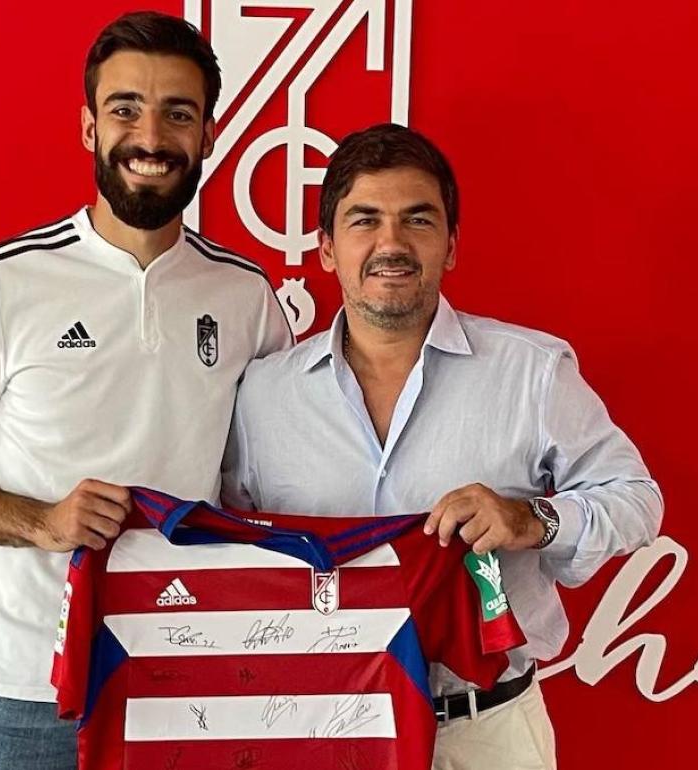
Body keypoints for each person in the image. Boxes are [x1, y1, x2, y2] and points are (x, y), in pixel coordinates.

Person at [0, 12, 292, 769]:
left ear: (208, 135)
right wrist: (42, 522)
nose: (151, 137)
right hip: (25, 691)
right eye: (125, 109)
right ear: (88, 127)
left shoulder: (246, 297)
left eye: (178, 113)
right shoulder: (3, 282)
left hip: (187, 678)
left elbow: (271, 483)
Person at [221, 123, 663, 770]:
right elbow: (230, 551)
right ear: (326, 249)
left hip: (486, 733)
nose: (391, 243)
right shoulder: (263, 396)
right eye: (365, 220)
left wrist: (531, 520)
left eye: (418, 220)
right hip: (313, 728)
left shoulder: (532, 371)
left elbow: (637, 500)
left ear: (451, 246)